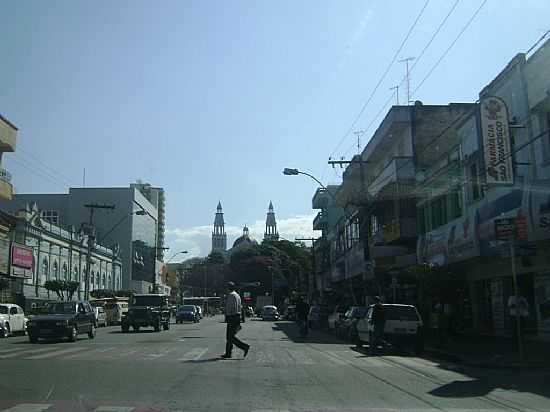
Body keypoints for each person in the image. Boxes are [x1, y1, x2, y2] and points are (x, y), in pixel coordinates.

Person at [221, 282, 250, 359]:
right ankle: (228, 353)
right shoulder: (237, 295)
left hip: (232, 317)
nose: (225, 290)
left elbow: (232, 307)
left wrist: (227, 314)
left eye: (226, 288)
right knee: (229, 337)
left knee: (230, 337)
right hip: (236, 316)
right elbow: (240, 306)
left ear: (228, 288)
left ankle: (245, 347)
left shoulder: (231, 295)